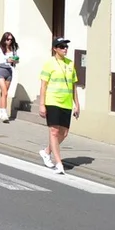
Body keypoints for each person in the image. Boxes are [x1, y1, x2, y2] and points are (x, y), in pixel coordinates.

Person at [37, 38, 79, 174]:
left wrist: (77, 104)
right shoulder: (49, 63)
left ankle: (46, 152)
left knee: (64, 133)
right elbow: (43, 85)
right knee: (54, 132)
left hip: (66, 103)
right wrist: (42, 105)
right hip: (53, 101)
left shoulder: (70, 64)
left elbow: (74, 85)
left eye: (66, 46)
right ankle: (59, 163)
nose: (65, 49)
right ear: (55, 48)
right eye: (61, 46)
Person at [0, 31, 20, 122]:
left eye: (11, 39)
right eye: (8, 39)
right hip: (1, 71)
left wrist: (15, 60)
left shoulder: (13, 49)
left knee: (3, 93)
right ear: (4, 39)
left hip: (9, 72)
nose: (9, 41)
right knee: (5, 92)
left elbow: (16, 60)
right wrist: (6, 60)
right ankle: (4, 113)